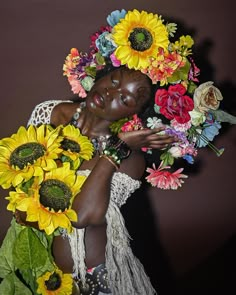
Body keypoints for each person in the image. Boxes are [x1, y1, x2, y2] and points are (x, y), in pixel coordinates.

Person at [26, 65, 177, 295]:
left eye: (124, 99)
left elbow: (81, 216)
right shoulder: (51, 114)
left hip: (99, 282)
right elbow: (21, 181)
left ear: (133, 115)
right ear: (102, 75)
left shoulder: (130, 160)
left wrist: (116, 151)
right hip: (38, 271)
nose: (110, 93)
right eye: (114, 81)